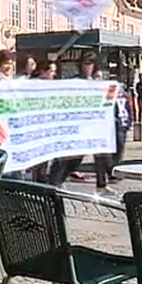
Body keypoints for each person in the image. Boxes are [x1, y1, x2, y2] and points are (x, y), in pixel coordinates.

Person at [48, 52, 115, 195]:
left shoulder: (98, 82)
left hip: (95, 126)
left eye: (90, 64)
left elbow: (108, 101)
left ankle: (101, 185)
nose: (88, 67)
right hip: (79, 126)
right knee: (72, 159)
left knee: (101, 156)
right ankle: (55, 181)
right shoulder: (75, 81)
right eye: (85, 64)